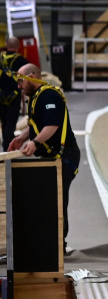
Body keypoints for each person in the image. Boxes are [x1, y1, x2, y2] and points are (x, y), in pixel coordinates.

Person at [8, 63, 80, 254]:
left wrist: (35, 143)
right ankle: (49, 243)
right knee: (48, 199)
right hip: (52, 156)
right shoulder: (36, 97)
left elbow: (52, 125)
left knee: (57, 200)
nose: (19, 86)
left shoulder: (49, 96)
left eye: (21, 81)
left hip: (65, 156)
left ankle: (59, 246)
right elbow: (36, 124)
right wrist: (21, 138)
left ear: (32, 77)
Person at [0, 37, 28, 151]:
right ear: (18, 46)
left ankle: (7, 146)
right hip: (14, 96)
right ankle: (8, 148)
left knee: (4, 123)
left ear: (6, 45)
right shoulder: (22, 61)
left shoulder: (0, 58)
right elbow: (26, 79)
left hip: (0, 96)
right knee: (11, 124)